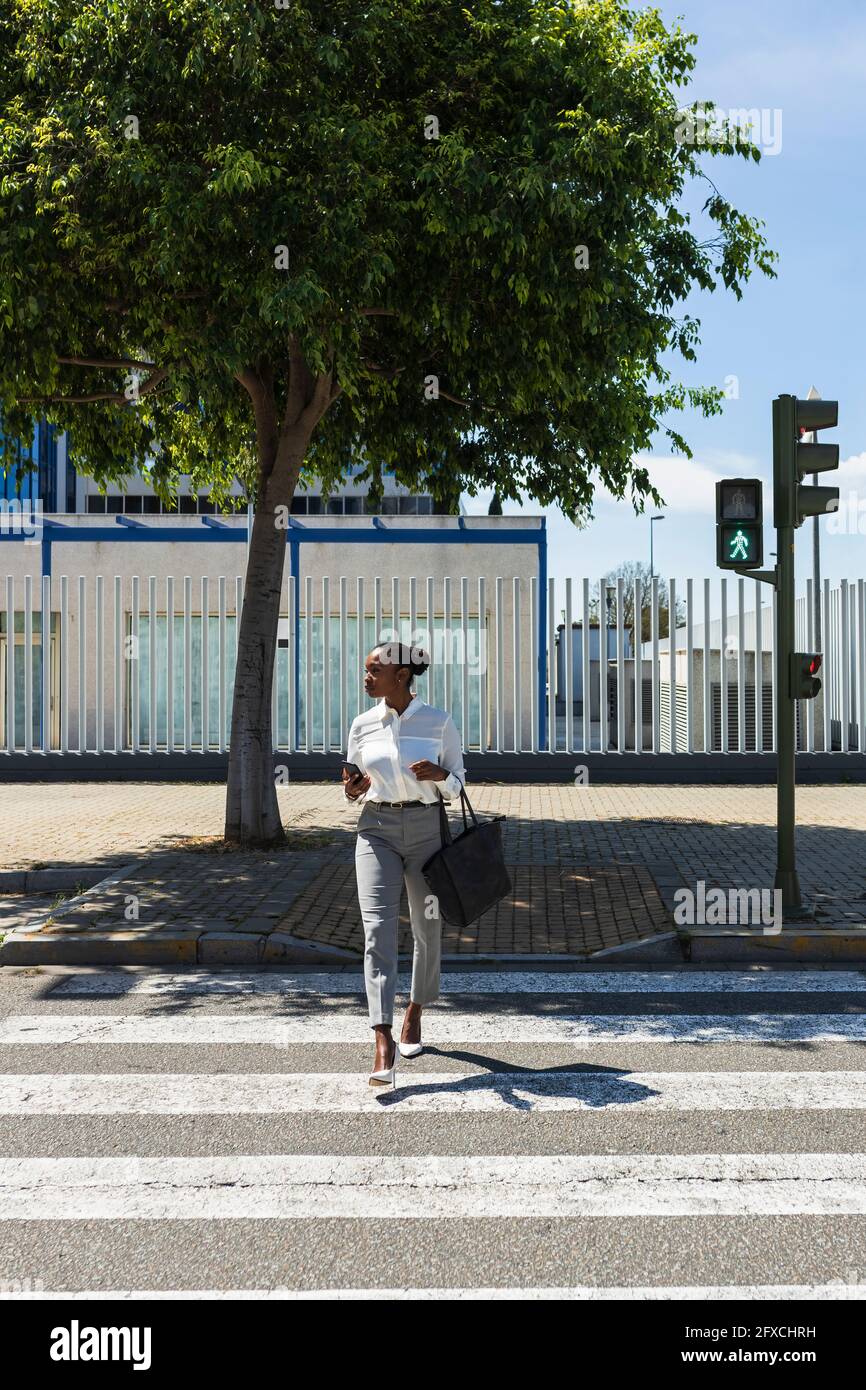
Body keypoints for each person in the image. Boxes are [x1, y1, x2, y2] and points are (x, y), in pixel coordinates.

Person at [342, 640, 466, 1088]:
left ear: (401, 675)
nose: (367, 676)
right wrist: (353, 789)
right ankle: (382, 1037)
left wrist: (441, 778)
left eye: (375, 669)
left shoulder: (438, 722)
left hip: (426, 829)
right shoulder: (361, 724)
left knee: (425, 927)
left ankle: (415, 1009)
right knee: (377, 930)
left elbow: (459, 781)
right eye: (366, 669)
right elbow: (354, 782)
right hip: (375, 829)